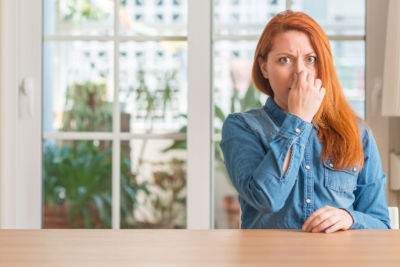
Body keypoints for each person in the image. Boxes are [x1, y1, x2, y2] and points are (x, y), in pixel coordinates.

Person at [220, 10, 391, 233]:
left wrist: (350, 218)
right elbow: (266, 199)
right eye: (285, 60)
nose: (300, 72)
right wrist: (299, 119)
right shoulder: (242, 127)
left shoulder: (358, 133)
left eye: (310, 60)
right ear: (264, 68)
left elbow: (381, 224)